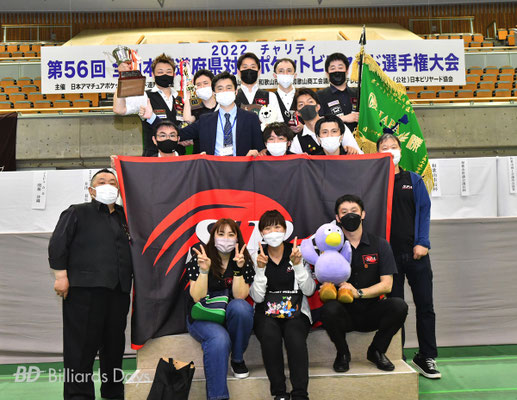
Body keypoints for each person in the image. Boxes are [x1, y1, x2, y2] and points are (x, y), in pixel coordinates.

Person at [48, 169, 133, 400]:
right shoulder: (77, 212)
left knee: (114, 346)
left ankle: (113, 391)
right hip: (83, 290)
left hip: (118, 290)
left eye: (113, 182)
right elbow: (58, 244)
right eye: (102, 181)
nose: (108, 185)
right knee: (81, 347)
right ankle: (78, 395)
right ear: (91, 190)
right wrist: (61, 276)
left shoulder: (126, 217)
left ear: (119, 190)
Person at [320, 194, 408, 373]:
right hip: (344, 313)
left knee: (399, 305)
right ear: (337, 218)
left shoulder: (380, 244)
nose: (350, 215)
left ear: (363, 214)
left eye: (354, 211)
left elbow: (387, 285)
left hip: (371, 311)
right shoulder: (330, 248)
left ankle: (377, 351)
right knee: (328, 309)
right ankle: (343, 354)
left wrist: (358, 292)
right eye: (344, 212)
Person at [377, 133, 441, 379]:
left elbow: (424, 211)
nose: (390, 150)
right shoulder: (374, 181)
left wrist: (422, 242)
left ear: (400, 150)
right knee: (395, 308)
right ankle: (396, 354)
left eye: (393, 146)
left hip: (416, 254)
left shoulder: (413, 179)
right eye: (384, 147)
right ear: (377, 152)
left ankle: (426, 356)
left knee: (425, 305)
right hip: (388, 258)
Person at [185, 218, 255, 400]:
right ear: (213, 236)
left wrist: (238, 270)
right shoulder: (201, 257)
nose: (226, 238)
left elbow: (240, 296)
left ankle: (237, 359)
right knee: (219, 339)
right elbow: (196, 297)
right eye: (221, 233)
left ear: (237, 238)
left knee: (242, 308)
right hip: (203, 317)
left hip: (229, 314)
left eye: (231, 234)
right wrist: (204, 271)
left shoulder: (243, 259)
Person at [250, 211, 316, 400]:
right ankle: (279, 393)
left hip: (296, 312)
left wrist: (298, 265)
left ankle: (300, 394)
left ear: (285, 230)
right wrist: (260, 270)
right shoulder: (257, 256)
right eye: (267, 228)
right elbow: (257, 298)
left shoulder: (297, 253)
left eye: (277, 227)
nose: (273, 232)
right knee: (270, 335)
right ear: (261, 233)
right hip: (266, 314)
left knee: (294, 336)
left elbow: (310, 290)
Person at [112, 53, 186, 156]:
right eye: (160, 72)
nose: (165, 74)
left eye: (169, 72)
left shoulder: (181, 100)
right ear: (153, 75)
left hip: (179, 157)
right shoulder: (144, 96)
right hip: (152, 157)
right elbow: (119, 109)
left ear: (174, 74)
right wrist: (122, 78)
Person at [179, 71, 265, 156]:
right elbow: (179, 134)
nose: (224, 91)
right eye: (220, 89)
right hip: (213, 164)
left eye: (228, 88)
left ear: (236, 91)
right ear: (214, 94)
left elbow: (260, 149)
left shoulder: (251, 118)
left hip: (242, 163)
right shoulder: (205, 120)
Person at [289, 89, 361, 155]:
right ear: (297, 113)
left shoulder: (338, 126)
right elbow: (292, 163)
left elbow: (359, 155)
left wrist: (352, 151)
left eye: (310, 102)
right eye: (301, 104)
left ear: (318, 107)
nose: (306, 106)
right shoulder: (298, 140)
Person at [316, 52, 359, 133]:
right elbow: (317, 121)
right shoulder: (319, 95)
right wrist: (344, 118)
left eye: (340, 67)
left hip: (358, 139)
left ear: (347, 71)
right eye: (332, 68)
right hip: (332, 139)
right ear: (327, 73)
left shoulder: (358, 94)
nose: (337, 71)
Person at [183, 69, 218, 154]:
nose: (202, 87)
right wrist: (188, 95)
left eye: (205, 83)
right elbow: (187, 120)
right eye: (198, 85)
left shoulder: (222, 104)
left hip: (219, 153)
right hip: (199, 154)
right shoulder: (196, 105)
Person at [268, 58, 303, 133]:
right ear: (275, 75)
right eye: (281, 71)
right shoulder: (269, 98)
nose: (285, 74)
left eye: (289, 71)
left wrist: (304, 127)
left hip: (302, 139)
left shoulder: (303, 97)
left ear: (295, 75)